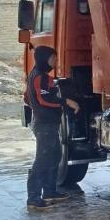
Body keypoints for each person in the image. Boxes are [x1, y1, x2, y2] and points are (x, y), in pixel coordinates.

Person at [25, 46, 80, 210]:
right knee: (43, 159)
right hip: (44, 125)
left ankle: (49, 192)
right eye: (53, 58)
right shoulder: (38, 77)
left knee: (55, 155)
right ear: (44, 58)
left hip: (49, 123)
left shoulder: (43, 77)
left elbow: (28, 97)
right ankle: (33, 198)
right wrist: (66, 102)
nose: (55, 62)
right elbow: (43, 99)